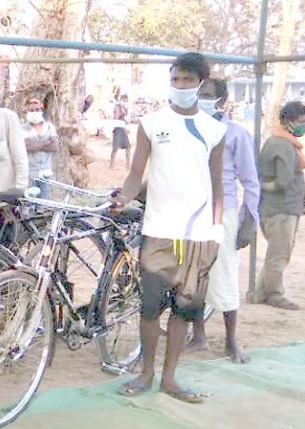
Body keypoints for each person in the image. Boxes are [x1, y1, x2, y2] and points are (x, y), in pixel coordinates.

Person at [111, 52, 226, 403]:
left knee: (184, 307)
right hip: (159, 229)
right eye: (176, 79)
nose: (181, 86)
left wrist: (217, 229)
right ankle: (146, 373)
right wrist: (124, 197)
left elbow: (217, 184)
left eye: (188, 80)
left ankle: (170, 378)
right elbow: (136, 174)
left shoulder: (214, 130)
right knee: (149, 306)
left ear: (201, 84)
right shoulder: (151, 124)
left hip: (198, 234)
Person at [188, 79, 260, 364]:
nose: (200, 99)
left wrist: (249, 220)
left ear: (221, 100)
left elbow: (251, 181)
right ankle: (199, 335)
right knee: (193, 275)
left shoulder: (236, 135)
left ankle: (231, 341)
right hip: (190, 211)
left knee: (225, 273)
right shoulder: (188, 128)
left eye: (206, 95)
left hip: (222, 212)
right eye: (198, 94)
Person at [251, 101, 305, 310]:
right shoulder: (283, 145)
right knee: (279, 254)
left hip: (278, 207)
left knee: (277, 253)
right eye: (301, 121)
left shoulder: (280, 142)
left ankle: (260, 292)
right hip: (281, 208)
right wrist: (263, 186)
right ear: (288, 121)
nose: (304, 125)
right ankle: (274, 294)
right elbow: (283, 182)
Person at [22, 96, 58, 198]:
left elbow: (54, 147)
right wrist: (46, 142)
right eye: (32, 110)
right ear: (27, 111)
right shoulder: (23, 128)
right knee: (30, 202)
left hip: (46, 172)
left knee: (44, 202)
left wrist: (36, 145)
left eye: (37, 109)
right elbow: (28, 147)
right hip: (29, 173)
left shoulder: (50, 127)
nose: (35, 112)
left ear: (41, 109)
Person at [110, 94, 131, 169]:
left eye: (126, 100)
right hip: (118, 129)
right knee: (115, 148)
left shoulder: (125, 108)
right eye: (124, 100)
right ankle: (111, 164)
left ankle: (128, 165)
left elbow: (126, 120)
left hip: (123, 129)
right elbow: (116, 119)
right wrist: (125, 128)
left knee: (128, 147)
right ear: (121, 99)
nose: (125, 102)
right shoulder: (117, 107)